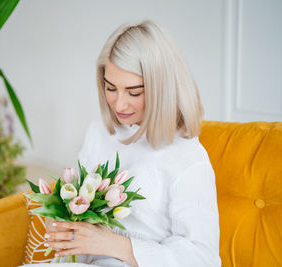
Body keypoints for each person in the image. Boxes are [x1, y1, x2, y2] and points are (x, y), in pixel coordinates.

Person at [21, 20, 221, 267]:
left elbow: (204, 259)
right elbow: (78, 207)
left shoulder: (188, 158)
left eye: (134, 92)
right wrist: (62, 220)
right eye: (110, 88)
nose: (118, 105)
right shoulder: (100, 132)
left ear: (163, 89)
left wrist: (117, 246)